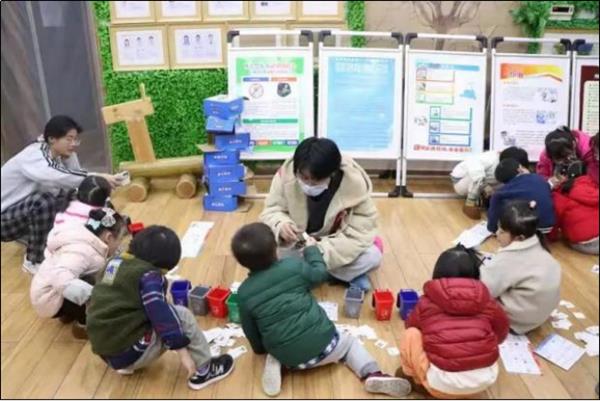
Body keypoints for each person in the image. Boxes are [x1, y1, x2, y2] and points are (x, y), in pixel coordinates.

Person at [232, 222, 411, 398]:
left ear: (242, 262)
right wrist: (312, 251)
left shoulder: (244, 292)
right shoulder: (292, 266)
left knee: (277, 345)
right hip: (326, 345)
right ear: (276, 250)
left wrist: (260, 350)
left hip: (290, 359)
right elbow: (319, 275)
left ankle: (276, 362)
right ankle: (372, 374)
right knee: (349, 345)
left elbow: (250, 330)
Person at [87, 226, 235, 390]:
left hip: (105, 350)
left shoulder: (113, 262)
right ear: (161, 267)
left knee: (149, 307)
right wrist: (182, 351)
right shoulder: (148, 276)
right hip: (130, 353)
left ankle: (124, 363)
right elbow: (161, 314)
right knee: (182, 314)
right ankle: (205, 369)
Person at [1, 115, 120, 273]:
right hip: (4, 219)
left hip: (23, 213)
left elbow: (76, 186)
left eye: (76, 139)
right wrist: (97, 176)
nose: (73, 144)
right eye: (69, 139)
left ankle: (104, 243)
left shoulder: (60, 155)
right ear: (52, 139)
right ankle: (34, 260)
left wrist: (101, 199)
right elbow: (58, 176)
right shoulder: (34, 155)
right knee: (43, 201)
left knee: (80, 198)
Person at [260, 138, 382, 291]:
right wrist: (281, 225)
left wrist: (319, 251)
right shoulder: (286, 175)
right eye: (304, 178)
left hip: (332, 244)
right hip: (298, 243)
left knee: (372, 256)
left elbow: (360, 231)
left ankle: (305, 275)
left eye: (317, 180)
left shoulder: (354, 184)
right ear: (296, 170)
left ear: (332, 174)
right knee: (261, 248)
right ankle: (337, 275)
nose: (309, 184)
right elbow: (272, 210)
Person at [397, 245, 509, 399]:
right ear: (475, 274)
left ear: (438, 273)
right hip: (483, 383)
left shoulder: (426, 302)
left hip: (441, 384)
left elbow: (410, 325)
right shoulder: (488, 302)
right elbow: (501, 333)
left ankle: (415, 380)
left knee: (411, 334)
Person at [29, 207, 128, 339]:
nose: (120, 245)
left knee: (93, 280)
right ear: (109, 237)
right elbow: (61, 279)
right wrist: (95, 297)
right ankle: (84, 325)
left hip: (51, 293)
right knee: (94, 283)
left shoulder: (90, 240)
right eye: (119, 240)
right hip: (49, 298)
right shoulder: (81, 252)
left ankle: (70, 312)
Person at [481, 200, 561, 333]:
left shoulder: (508, 258)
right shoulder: (538, 246)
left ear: (519, 238)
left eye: (502, 231)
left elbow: (484, 290)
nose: (496, 233)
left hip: (515, 322)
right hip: (538, 316)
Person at [451, 146, 530, 219]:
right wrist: (485, 187)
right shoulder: (490, 158)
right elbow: (473, 164)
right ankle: (470, 203)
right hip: (461, 181)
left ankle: (489, 199)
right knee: (478, 176)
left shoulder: (512, 165)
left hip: (488, 183)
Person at [487, 158, 555, 233]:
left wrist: (492, 228)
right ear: (520, 169)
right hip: (549, 225)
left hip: (525, 230)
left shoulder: (501, 192)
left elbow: (492, 224)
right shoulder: (539, 178)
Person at [550, 174, 599, 255]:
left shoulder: (557, 197)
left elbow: (553, 223)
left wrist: (552, 238)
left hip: (586, 245)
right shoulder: (589, 189)